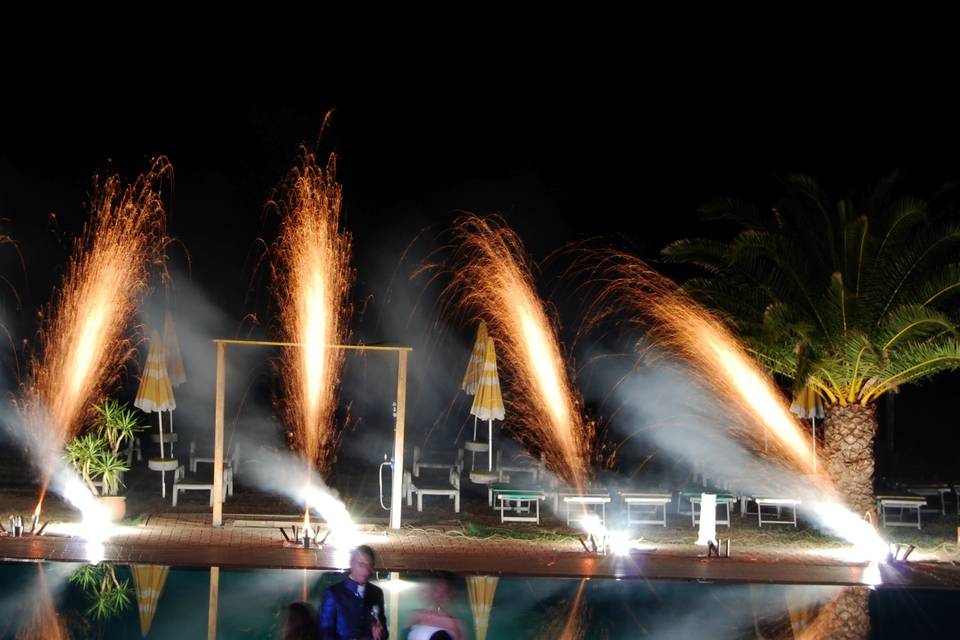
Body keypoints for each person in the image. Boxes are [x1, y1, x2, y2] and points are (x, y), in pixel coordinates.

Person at [318, 545, 388, 640]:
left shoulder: (376, 593)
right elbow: (324, 632)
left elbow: (383, 629)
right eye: (361, 564)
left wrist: (381, 633)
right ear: (351, 564)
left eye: (369, 565)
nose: (366, 570)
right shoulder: (334, 593)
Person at [405, 573, 465, 640]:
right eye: (435, 588)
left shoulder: (455, 624)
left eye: (444, 590)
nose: (438, 594)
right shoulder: (416, 617)